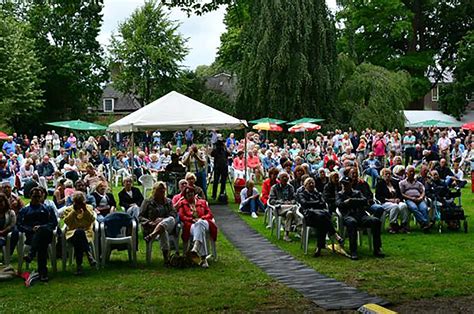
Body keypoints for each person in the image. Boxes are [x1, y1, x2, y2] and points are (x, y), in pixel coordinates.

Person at [336, 176, 384, 260]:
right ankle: (353, 251)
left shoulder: (357, 192)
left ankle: (377, 249)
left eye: (347, 184)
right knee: (352, 222)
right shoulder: (339, 194)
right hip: (348, 216)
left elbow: (365, 201)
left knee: (376, 221)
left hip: (361, 216)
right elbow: (339, 204)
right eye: (343, 184)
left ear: (351, 184)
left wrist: (351, 201)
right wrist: (350, 202)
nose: (345, 186)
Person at [17, 187, 58, 282]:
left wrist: (41, 227)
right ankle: (43, 273)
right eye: (34, 196)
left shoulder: (48, 208)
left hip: (46, 234)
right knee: (42, 245)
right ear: (30, 196)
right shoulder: (24, 210)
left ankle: (31, 254)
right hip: (31, 236)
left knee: (41, 232)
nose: (37, 198)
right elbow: (19, 225)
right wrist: (31, 229)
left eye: (39, 196)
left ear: (42, 197)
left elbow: (53, 223)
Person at [296, 177, 344, 257]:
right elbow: (305, 204)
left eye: (312, 183)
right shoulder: (302, 194)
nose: (311, 185)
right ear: (305, 185)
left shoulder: (317, 193)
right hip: (309, 217)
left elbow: (323, 203)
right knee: (324, 216)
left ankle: (318, 248)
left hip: (320, 218)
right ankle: (335, 235)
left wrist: (313, 203)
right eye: (309, 183)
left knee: (322, 222)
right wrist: (317, 203)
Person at [177, 186, 217, 268]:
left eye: (191, 192)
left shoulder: (202, 202)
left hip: (205, 222)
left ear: (194, 193)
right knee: (199, 227)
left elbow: (210, 214)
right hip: (191, 224)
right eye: (187, 193)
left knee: (200, 223)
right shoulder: (182, 203)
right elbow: (181, 216)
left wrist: (202, 218)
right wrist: (191, 219)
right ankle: (203, 258)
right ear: (185, 195)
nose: (189, 194)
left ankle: (195, 248)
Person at [140, 182, 177, 266]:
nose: (162, 193)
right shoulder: (147, 202)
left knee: (170, 219)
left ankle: (152, 235)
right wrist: (150, 222)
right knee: (163, 232)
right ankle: (166, 259)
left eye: (163, 191)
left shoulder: (168, 201)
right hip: (151, 227)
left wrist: (162, 219)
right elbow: (140, 217)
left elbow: (174, 213)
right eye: (160, 191)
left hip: (168, 225)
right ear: (154, 191)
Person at [62, 191, 97, 275]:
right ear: (74, 202)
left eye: (81, 202)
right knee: (78, 233)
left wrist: (85, 210)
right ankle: (88, 254)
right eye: (77, 203)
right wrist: (74, 211)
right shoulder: (68, 210)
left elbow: (92, 220)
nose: (79, 204)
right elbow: (66, 222)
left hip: (86, 232)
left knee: (80, 236)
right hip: (72, 233)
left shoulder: (89, 208)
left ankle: (79, 266)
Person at [375, 168, 410, 233]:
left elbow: (400, 194)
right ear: (382, 175)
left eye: (389, 174)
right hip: (385, 202)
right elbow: (378, 197)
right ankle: (393, 225)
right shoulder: (380, 183)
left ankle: (404, 225)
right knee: (394, 207)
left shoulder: (395, 183)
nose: (388, 175)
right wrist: (390, 200)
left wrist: (399, 199)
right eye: (386, 174)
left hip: (397, 201)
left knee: (404, 206)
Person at [399, 166, 432, 232]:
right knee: (414, 208)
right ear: (406, 173)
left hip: (419, 199)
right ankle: (425, 223)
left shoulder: (418, 183)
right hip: (409, 199)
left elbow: (423, 191)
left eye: (413, 172)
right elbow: (401, 194)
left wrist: (421, 197)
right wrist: (411, 198)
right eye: (410, 172)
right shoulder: (402, 183)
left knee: (424, 208)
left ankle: (424, 226)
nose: (412, 173)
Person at [268, 172, 298, 242]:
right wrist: (282, 202)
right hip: (279, 208)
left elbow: (294, 199)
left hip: (289, 208)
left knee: (290, 213)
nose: (285, 178)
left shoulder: (290, 187)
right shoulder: (274, 187)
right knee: (294, 208)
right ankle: (299, 225)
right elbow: (271, 200)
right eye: (283, 177)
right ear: (279, 179)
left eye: (286, 177)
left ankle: (286, 235)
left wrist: (291, 202)